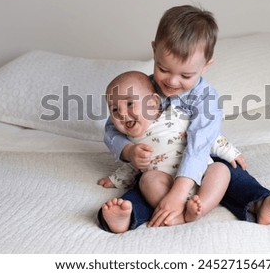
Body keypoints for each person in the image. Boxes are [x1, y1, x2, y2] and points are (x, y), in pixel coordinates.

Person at [98, 5, 270, 233]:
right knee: (145, 182)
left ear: (206, 66)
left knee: (229, 172)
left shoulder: (206, 98)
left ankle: (261, 203)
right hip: (159, 164)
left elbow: (200, 143)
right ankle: (127, 216)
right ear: (154, 51)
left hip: (201, 158)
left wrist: (179, 191)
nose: (173, 82)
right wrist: (127, 151)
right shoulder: (139, 88)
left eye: (186, 75)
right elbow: (112, 126)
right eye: (163, 69)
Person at [98, 71, 244, 227]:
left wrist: (230, 152)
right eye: (114, 109)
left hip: (200, 175)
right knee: (147, 180)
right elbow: (134, 166)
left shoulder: (175, 115)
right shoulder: (132, 142)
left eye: (129, 104)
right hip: (165, 187)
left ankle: (201, 206)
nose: (121, 113)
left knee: (220, 169)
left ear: (153, 103)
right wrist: (115, 179)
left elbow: (206, 136)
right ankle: (177, 212)